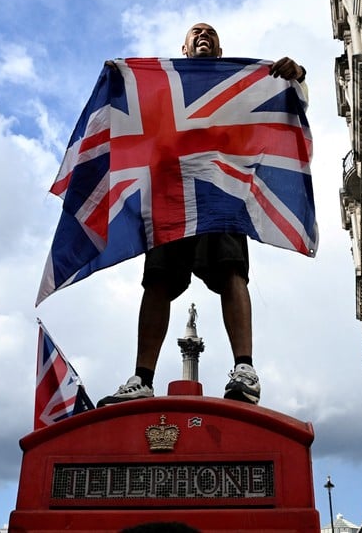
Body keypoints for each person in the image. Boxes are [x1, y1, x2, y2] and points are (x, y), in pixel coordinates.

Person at [97, 23, 306, 407]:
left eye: (210, 32)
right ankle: (142, 378)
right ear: (185, 46)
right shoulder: (166, 85)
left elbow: (278, 106)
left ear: (221, 46)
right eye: (196, 32)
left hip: (220, 188)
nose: (203, 36)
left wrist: (295, 78)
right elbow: (133, 119)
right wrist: (121, 82)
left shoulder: (238, 86)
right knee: (157, 281)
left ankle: (244, 369)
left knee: (231, 271)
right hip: (171, 191)